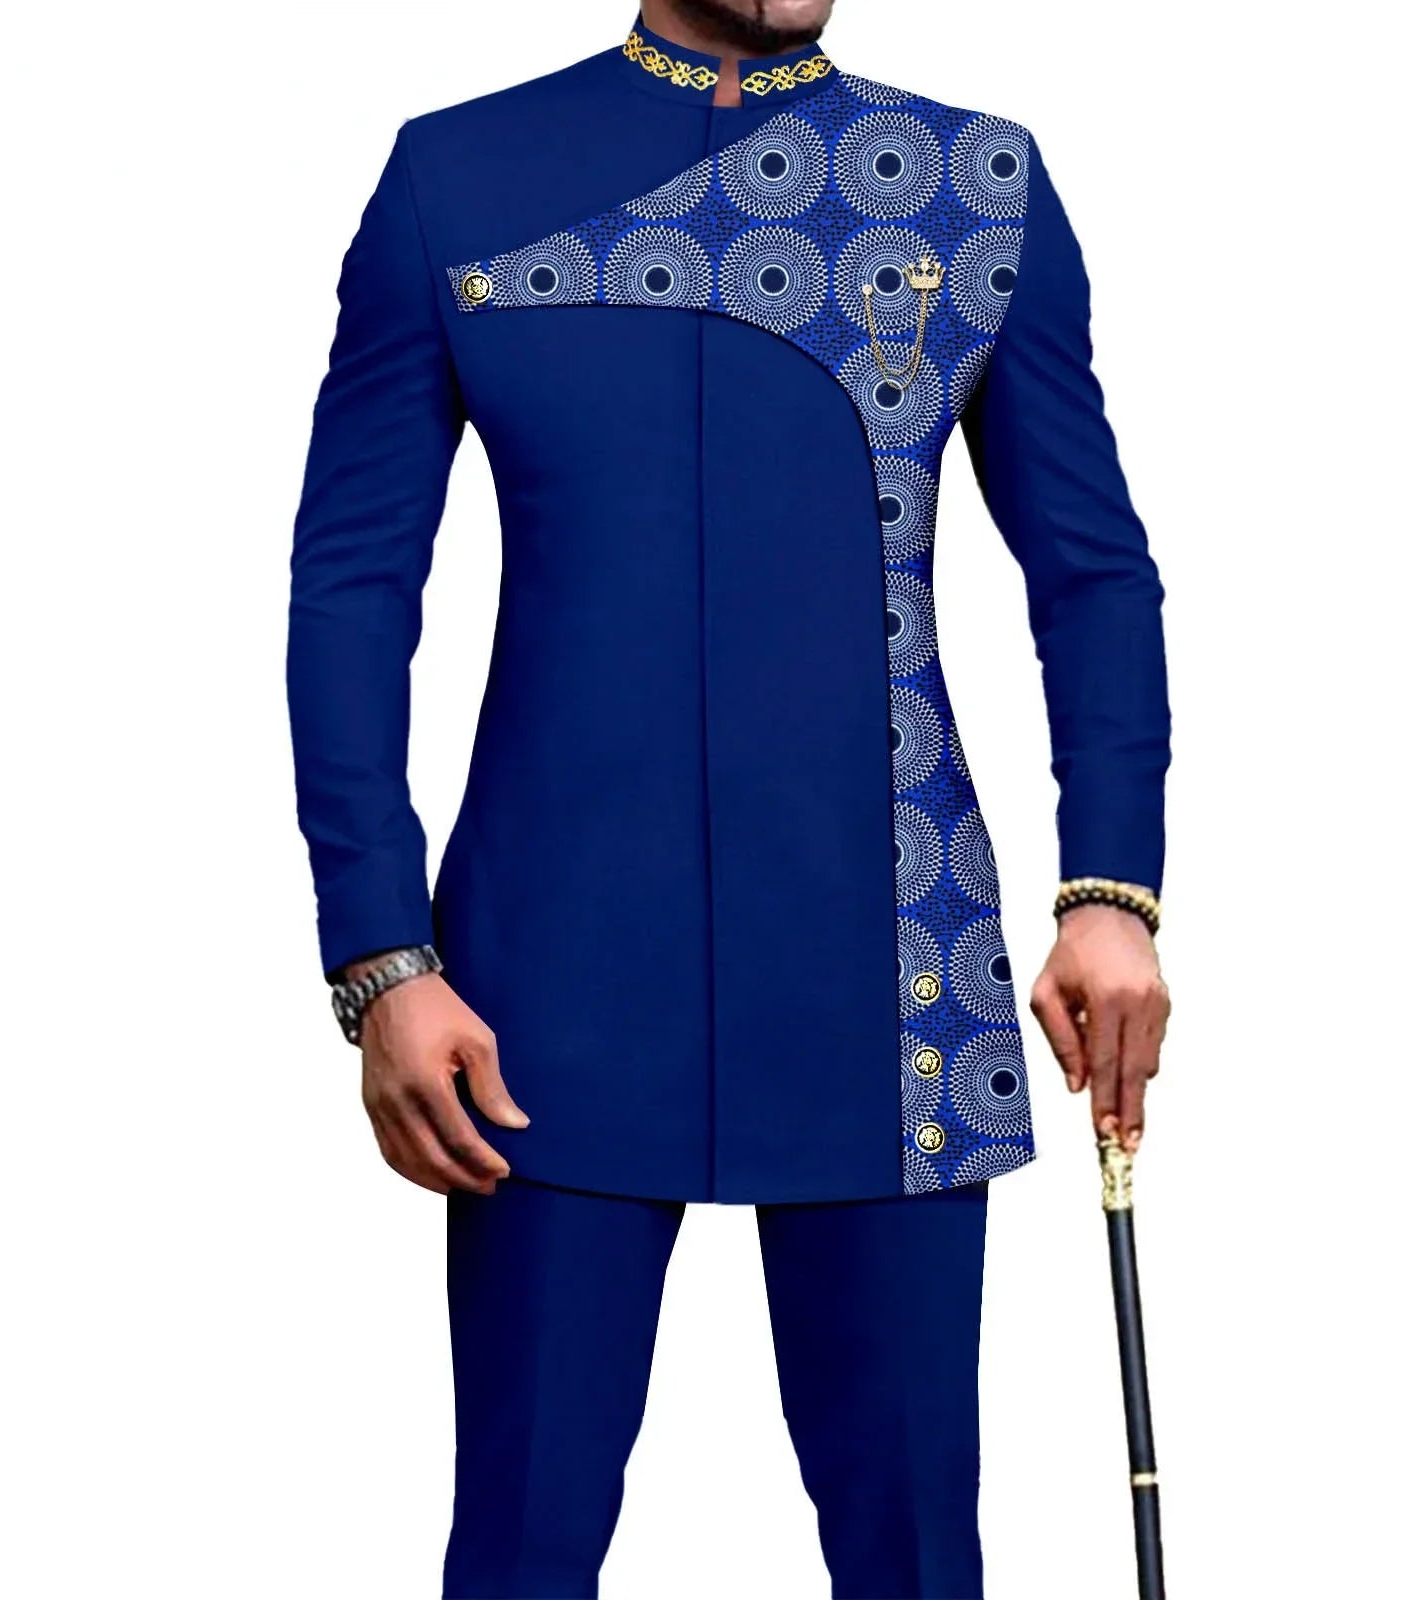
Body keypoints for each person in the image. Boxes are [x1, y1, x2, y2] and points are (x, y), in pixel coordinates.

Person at [286, 2, 1173, 1593]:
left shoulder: (971, 182)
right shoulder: (459, 178)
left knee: (916, 1555)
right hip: (541, 989)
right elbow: (352, 589)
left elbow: (1093, 573)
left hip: (893, 967)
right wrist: (381, 956)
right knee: (522, 1549)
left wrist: (1111, 892)